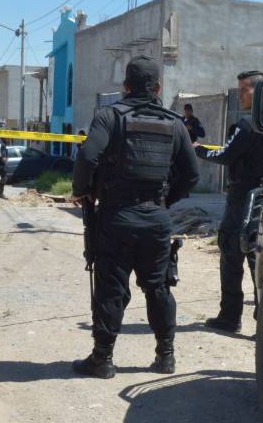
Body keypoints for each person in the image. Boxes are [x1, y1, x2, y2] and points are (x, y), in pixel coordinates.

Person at [71, 55, 199, 378]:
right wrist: (165, 200)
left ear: (125, 87)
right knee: (158, 288)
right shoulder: (175, 124)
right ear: (158, 87)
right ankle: (166, 356)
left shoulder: (109, 117)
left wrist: (83, 190)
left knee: (111, 288)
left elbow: (87, 156)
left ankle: (102, 359)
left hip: (117, 217)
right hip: (156, 219)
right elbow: (192, 174)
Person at [196, 70, 263, 333]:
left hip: (242, 199)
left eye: (244, 89)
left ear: (258, 91)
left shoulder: (248, 125)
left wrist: (197, 149)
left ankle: (230, 316)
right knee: (260, 258)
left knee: (231, 254)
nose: (239, 94)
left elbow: (226, 155)